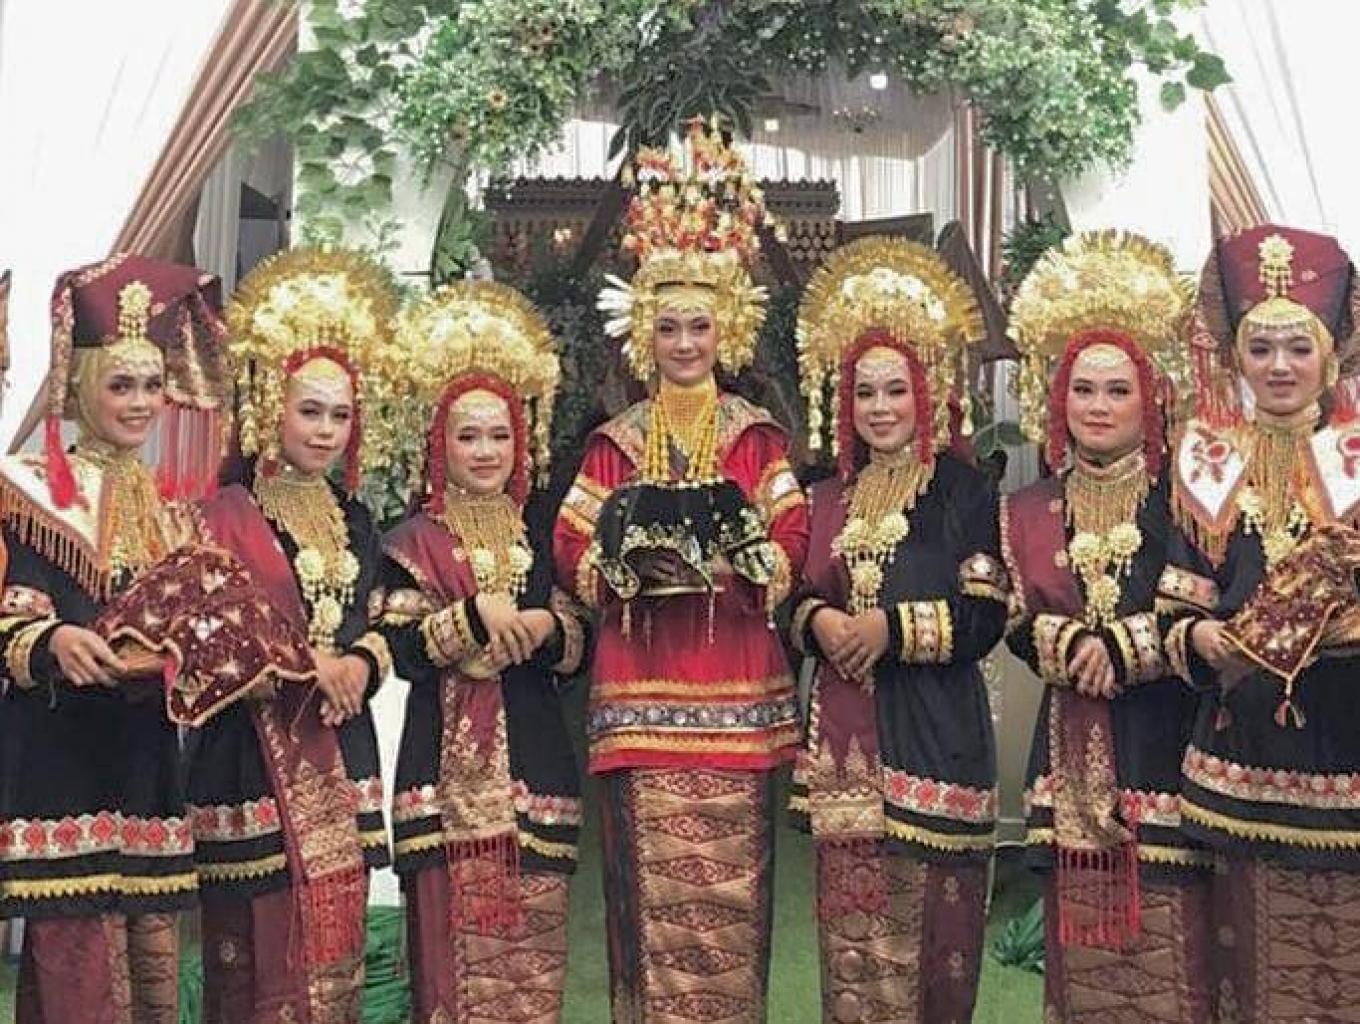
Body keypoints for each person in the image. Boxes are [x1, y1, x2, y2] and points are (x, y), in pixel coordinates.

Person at [553, 118, 808, 1022]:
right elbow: (571, 541)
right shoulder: (616, 442)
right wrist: (622, 572)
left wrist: (756, 559)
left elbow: (792, 532)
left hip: (736, 692)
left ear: (724, 328)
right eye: (668, 327)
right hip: (640, 694)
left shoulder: (755, 437)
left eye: (700, 326)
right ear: (644, 334)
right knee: (648, 899)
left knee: (734, 897)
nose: (686, 343)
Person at [0, 255, 229, 1023]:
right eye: (120, 385)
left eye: (152, 386)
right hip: (64, 754)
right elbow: (11, 618)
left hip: (146, 758)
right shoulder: (29, 490)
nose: (139, 403)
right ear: (82, 388)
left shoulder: (176, 512)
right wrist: (53, 641)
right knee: (82, 974)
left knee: (149, 970)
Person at [786, 236, 1006, 1023]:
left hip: (939, 738)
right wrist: (820, 620)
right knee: (855, 946)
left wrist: (890, 629)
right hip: (846, 752)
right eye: (864, 393)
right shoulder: (823, 496)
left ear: (926, 392)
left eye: (895, 391)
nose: (879, 408)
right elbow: (791, 598)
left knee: (940, 945)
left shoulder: (964, 491)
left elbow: (985, 614)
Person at [188, 246, 401, 1022]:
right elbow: (205, 635)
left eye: (340, 415)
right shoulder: (223, 516)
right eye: (310, 411)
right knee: (256, 965)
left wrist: (359, 665)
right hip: (249, 758)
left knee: (332, 956)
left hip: (341, 750)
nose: (326, 430)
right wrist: (304, 663)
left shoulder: (358, 519)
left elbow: (382, 621)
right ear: (271, 407)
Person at [1005, 231, 1212, 1022]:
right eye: (1083, 389)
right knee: (1082, 963)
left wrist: (1121, 649)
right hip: (1067, 750)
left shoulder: (1187, 504)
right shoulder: (1028, 508)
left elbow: (1205, 603)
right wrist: (1068, 646)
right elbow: (1012, 615)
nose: (1097, 406)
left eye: (1117, 390)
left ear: (1150, 399)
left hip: (1164, 743)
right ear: (1059, 400)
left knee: (1170, 948)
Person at [1163, 225, 1360, 1024]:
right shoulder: (1204, 458)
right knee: (1243, 959)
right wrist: (1198, 638)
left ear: (1330, 356)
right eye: (1262, 347)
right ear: (1236, 357)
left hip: (1347, 742)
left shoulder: (1355, 455)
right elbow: (1178, 598)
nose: (1280, 366)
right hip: (1237, 750)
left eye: (1298, 348)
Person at [380, 281, 587, 1023]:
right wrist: (472, 617)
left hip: (535, 766)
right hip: (442, 781)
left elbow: (581, 636)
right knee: (449, 977)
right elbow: (401, 646)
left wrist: (546, 631)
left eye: (500, 435)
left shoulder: (544, 532)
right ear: (441, 442)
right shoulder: (411, 540)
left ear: (520, 441)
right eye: (469, 436)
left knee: (530, 972)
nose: (486, 451)